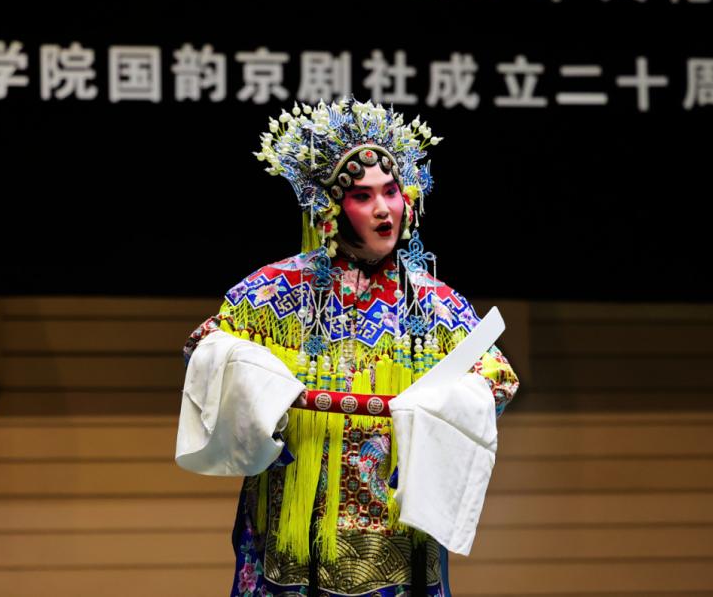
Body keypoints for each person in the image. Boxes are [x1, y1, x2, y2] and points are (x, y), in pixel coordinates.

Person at [176, 98, 520, 597]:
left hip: (394, 529)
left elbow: (498, 377)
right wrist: (260, 387)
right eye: (363, 195)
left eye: (391, 191)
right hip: (293, 518)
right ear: (331, 209)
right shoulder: (274, 290)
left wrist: (442, 405)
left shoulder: (434, 301)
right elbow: (205, 347)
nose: (383, 208)